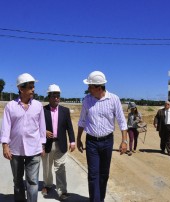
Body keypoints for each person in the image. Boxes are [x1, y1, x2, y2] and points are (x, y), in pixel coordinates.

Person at [76, 71, 128, 202]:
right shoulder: (87, 100)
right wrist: (78, 139)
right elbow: (82, 120)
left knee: (104, 175)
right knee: (93, 175)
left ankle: (100, 199)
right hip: (91, 142)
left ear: (99, 87)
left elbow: (122, 121)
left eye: (90, 86)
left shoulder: (114, 99)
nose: (88, 89)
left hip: (107, 142)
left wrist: (124, 141)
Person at [0, 73, 46, 202]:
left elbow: (42, 127)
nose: (33, 89)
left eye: (33, 86)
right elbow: (6, 127)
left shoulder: (38, 106)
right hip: (15, 150)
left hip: (34, 149)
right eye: (30, 87)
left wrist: (42, 145)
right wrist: (5, 145)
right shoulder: (10, 106)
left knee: (32, 181)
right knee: (18, 180)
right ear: (21, 88)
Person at [41, 84, 75, 200]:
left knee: (60, 167)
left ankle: (62, 191)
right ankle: (47, 185)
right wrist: (43, 132)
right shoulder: (43, 110)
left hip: (61, 144)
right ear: (49, 97)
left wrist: (72, 141)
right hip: (46, 144)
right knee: (46, 167)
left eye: (58, 96)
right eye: (54, 96)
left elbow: (69, 127)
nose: (56, 98)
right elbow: (36, 126)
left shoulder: (65, 111)